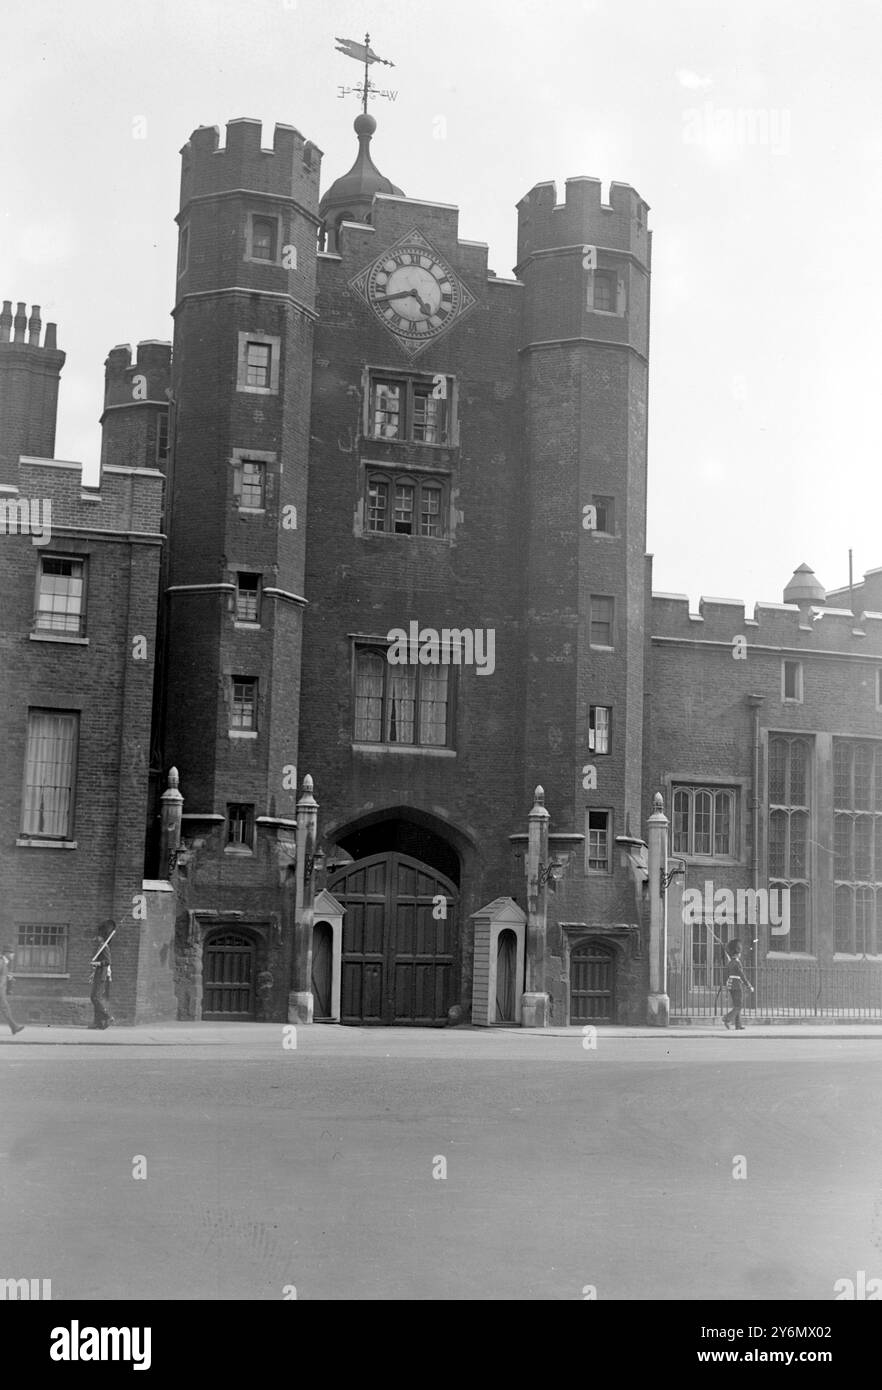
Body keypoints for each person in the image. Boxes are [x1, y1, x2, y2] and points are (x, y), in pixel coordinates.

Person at [722, 938, 753, 1030]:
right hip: (737, 985)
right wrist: (749, 985)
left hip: (731, 985)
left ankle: (738, 1025)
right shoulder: (737, 963)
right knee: (739, 1005)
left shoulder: (730, 963)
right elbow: (742, 975)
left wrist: (726, 986)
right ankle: (727, 1018)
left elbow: (726, 975)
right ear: (738, 953)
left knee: (736, 1005)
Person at [89, 922, 115, 1030]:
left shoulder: (104, 947)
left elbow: (108, 961)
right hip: (97, 974)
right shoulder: (100, 946)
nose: (97, 937)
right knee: (94, 997)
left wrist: (96, 963)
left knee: (95, 997)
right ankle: (98, 1023)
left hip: (102, 975)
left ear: (102, 937)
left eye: (98, 936)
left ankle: (108, 1016)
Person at [0, 945, 25, 1035]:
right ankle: (14, 1027)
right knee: (5, 1008)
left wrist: (7, 977)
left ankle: (14, 1027)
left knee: (5, 1008)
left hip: (1, 991)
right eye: (11, 953)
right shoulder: (1, 962)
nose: (13, 955)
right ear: (6, 953)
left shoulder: (4, 962)